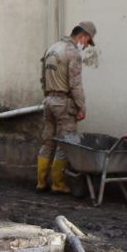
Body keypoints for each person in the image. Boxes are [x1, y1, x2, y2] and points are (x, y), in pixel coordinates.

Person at [36, 22, 95, 194]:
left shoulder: (52, 48)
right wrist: (81, 106)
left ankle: (41, 182)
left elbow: (42, 78)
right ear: (82, 36)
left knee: (47, 142)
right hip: (64, 102)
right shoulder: (73, 53)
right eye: (87, 41)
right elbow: (75, 84)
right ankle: (58, 184)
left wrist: (48, 96)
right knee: (65, 143)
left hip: (48, 100)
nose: (85, 46)